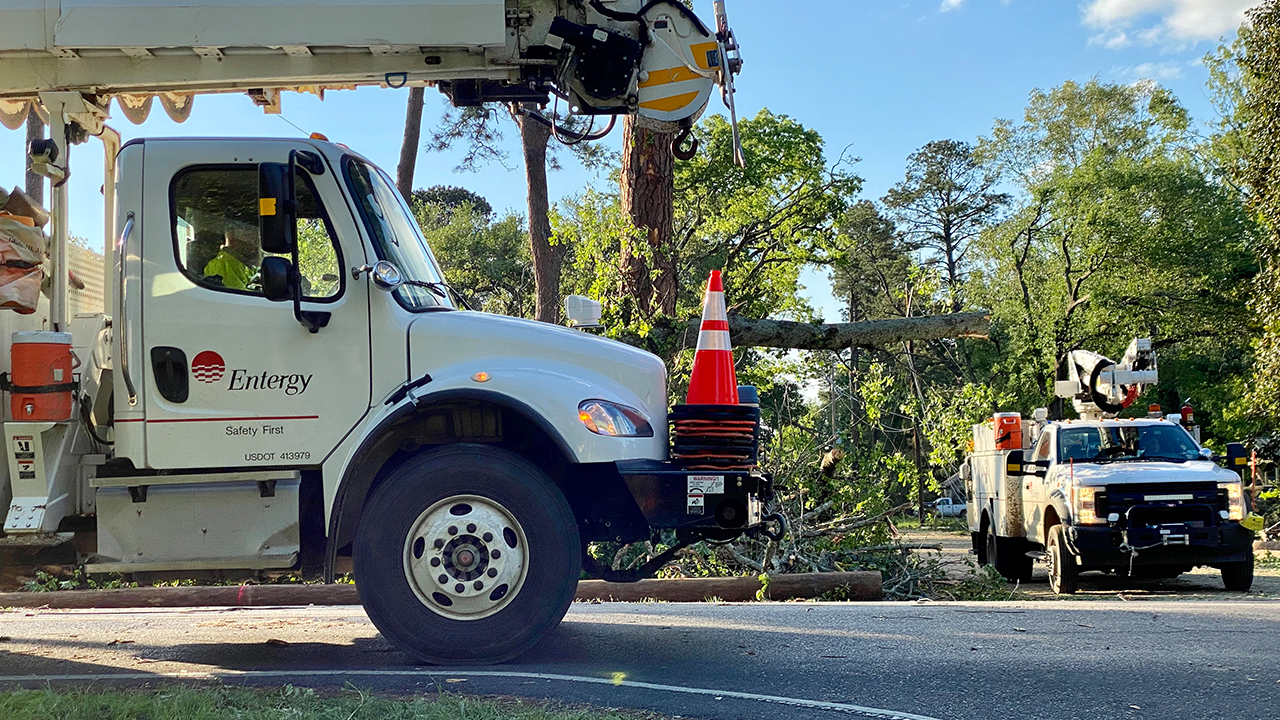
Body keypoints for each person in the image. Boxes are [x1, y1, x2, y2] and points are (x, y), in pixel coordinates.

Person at [203, 224, 262, 290]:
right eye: (249, 231)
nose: (256, 238)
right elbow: (239, 297)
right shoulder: (223, 264)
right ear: (231, 235)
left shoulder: (241, 261)